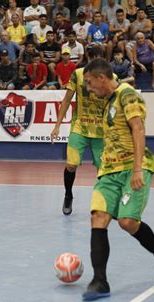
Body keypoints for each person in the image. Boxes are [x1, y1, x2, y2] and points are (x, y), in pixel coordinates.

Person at [81, 58, 154, 301]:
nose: (89, 89)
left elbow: (138, 128)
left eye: (90, 83)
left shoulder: (127, 94)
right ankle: (100, 281)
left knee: (127, 222)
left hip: (133, 166)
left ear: (102, 78)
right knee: (98, 217)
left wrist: (137, 170)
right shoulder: (108, 100)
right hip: (109, 170)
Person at [50, 46, 106, 215]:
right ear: (88, 57)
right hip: (79, 126)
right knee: (71, 164)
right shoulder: (78, 74)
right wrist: (57, 125)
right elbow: (67, 100)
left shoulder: (111, 78)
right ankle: (68, 195)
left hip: (101, 131)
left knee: (103, 170)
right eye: (92, 57)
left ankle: (102, 201)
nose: (95, 60)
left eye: (98, 57)